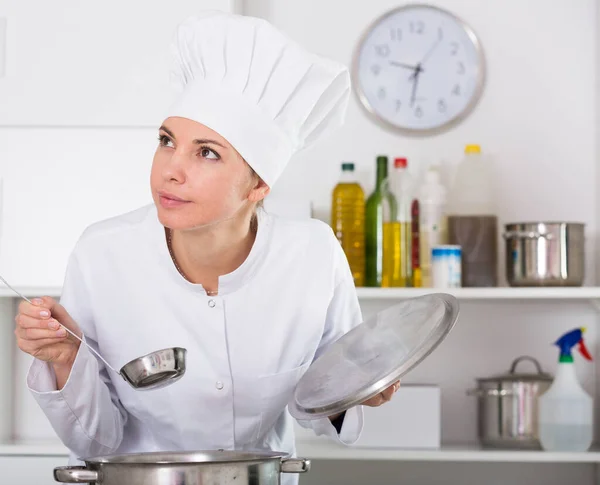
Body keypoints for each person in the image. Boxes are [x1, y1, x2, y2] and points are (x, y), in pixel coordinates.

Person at [14, 10, 398, 483]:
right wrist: (65, 359)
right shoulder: (103, 255)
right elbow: (98, 441)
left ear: (258, 184)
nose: (170, 170)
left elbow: (318, 407)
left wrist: (357, 392)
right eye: (166, 141)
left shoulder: (313, 256)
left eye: (207, 152)